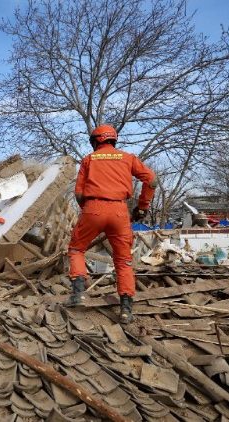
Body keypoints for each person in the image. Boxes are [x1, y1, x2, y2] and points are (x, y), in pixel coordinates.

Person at [67, 124, 156, 324]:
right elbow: (151, 180)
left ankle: (79, 293)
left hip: (93, 208)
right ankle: (125, 310)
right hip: (119, 211)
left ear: (96, 140)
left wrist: (89, 212)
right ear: (112, 139)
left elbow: (79, 193)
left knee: (76, 249)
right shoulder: (128, 158)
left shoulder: (89, 159)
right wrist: (142, 207)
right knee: (123, 261)